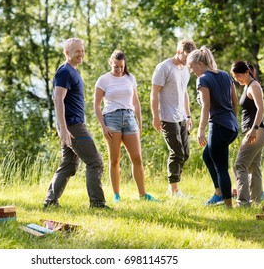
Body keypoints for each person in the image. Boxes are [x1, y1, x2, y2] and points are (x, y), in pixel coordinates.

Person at [43, 38, 108, 209]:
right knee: (95, 162)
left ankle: (50, 201)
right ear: (67, 53)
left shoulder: (73, 71)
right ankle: (97, 203)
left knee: (69, 164)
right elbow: (58, 99)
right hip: (73, 126)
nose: (81, 54)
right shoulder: (65, 71)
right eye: (76, 51)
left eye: (82, 50)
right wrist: (63, 128)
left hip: (72, 124)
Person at [94, 50, 157, 202]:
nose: (119, 69)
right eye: (116, 66)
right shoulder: (103, 80)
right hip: (112, 119)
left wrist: (139, 123)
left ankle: (143, 195)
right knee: (115, 159)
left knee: (137, 158)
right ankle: (116, 195)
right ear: (111, 63)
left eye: (121, 66)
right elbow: (96, 105)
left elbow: (136, 102)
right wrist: (103, 126)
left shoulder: (130, 78)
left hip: (129, 119)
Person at [186, 46, 239, 208]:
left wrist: (201, 130)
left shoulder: (203, 79)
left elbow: (206, 106)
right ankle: (218, 193)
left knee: (221, 167)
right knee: (208, 156)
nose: (191, 71)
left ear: (200, 64)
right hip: (231, 126)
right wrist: (233, 119)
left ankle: (227, 204)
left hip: (219, 126)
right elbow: (234, 100)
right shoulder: (224, 75)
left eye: (191, 67)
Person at [150, 39, 196, 197]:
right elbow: (154, 93)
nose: (188, 60)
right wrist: (156, 116)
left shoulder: (186, 69)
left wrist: (188, 115)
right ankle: (174, 189)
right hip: (167, 117)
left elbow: (184, 93)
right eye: (186, 56)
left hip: (182, 116)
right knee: (176, 152)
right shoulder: (164, 67)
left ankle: (172, 188)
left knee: (186, 153)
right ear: (179, 51)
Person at [231, 61, 264, 207]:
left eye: (238, 76)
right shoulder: (248, 86)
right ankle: (256, 201)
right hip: (256, 131)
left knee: (240, 165)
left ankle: (243, 202)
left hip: (256, 131)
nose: (237, 79)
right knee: (254, 166)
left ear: (247, 72)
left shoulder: (254, 86)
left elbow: (261, 109)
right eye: (235, 78)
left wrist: (253, 129)